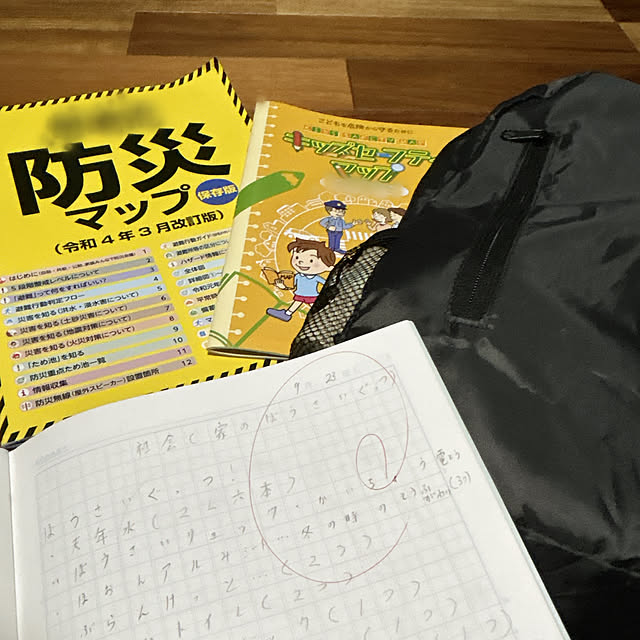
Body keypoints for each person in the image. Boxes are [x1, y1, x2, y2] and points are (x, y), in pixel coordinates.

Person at [266, 238, 336, 322]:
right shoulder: (298, 276)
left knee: (314, 306)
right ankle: (287, 314)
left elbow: (327, 284)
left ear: (328, 267)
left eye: (311, 260)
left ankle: (323, 316)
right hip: (300, 294)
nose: (301, 262)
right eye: (297, 257)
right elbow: (291, 285)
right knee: (296, 303)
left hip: (312, 296)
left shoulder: (316, 278)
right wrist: (282, 286)